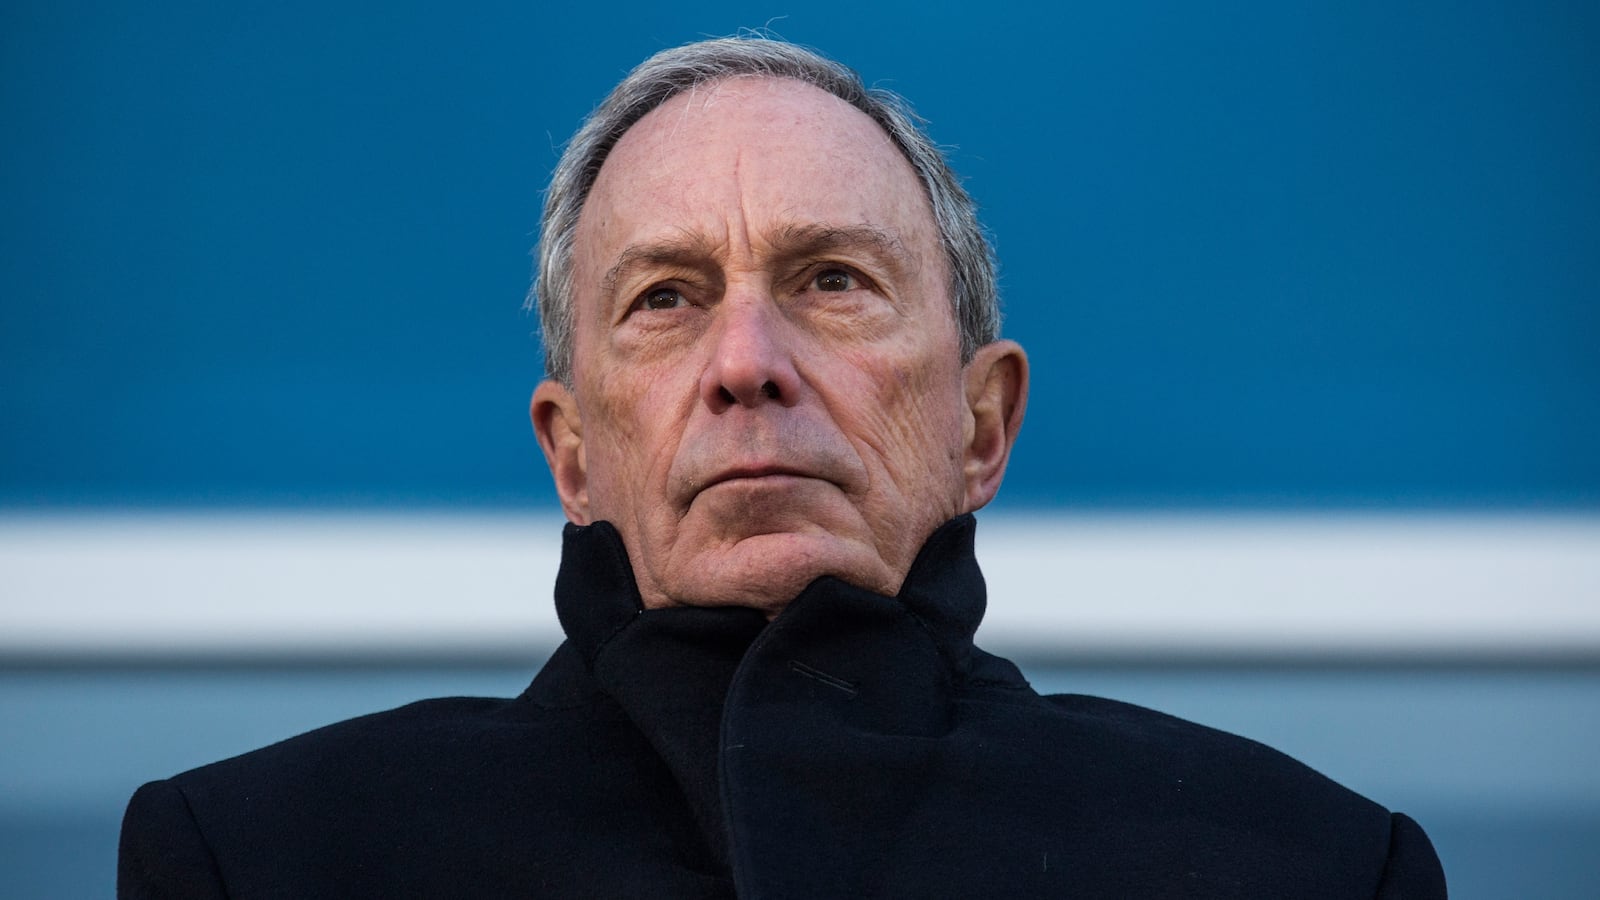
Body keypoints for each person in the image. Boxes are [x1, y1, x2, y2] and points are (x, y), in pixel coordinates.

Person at [118, 37, 1446, 898]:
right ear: (573, 454)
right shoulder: (269, 861)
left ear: (982, 427)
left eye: (833, 280)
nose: (747, 360)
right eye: (667, 299)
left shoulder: (1308, 871)